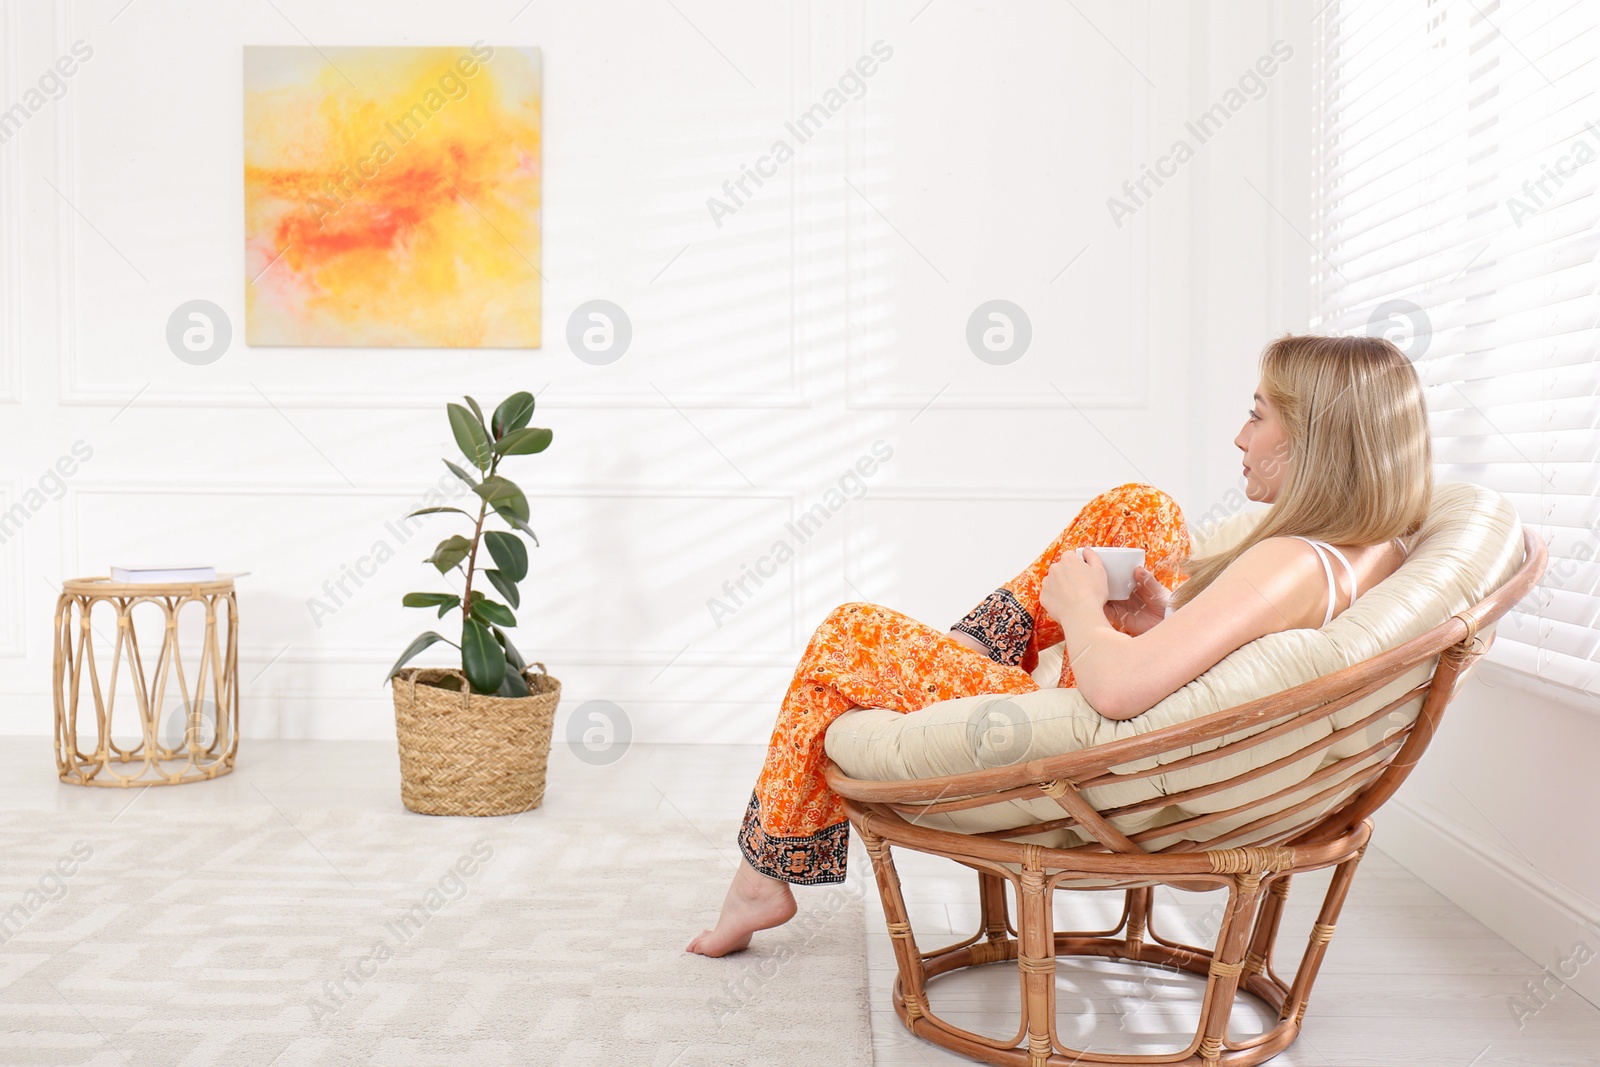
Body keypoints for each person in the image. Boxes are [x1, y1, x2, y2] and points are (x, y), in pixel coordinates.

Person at [687, 333, 1432, 957]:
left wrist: (1082, 611)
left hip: (1095, 753)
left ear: (1313, 440)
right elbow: (1220, 671)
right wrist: (1156, 620)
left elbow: (1110, 696)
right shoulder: (1370, 552)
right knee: (1139, 509)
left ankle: (763, 874)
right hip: (1150, 730)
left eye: (1257, 415)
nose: (1241, 436)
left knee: (846, 635)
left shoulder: (1290, 564)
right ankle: (977, 645)